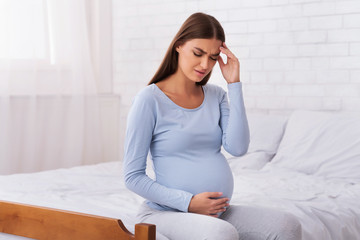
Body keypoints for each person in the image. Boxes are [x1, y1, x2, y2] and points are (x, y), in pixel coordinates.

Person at [123, 12, 302, 240]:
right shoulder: (149, 99)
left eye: (213, 57)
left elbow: (238, 148)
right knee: (221, 234)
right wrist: (189, 202)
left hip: (217, 213)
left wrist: (234, 84)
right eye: (198, 53)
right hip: (165, 213)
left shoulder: (216, 95)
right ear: (179, 45)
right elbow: (132, 176)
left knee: (287, 224)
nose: (205, 64)